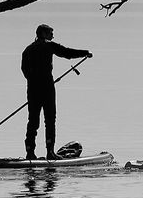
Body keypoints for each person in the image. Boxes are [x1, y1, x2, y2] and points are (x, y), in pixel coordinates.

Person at [21, 24, 92, 160]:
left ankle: (30, 152)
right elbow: (67, 53)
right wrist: (85, 53)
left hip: (32, 89)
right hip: (47, 88)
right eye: (50, 33)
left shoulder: (27, 50)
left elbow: (24, 70)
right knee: (50, 120)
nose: (52, 36)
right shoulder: (49, 45)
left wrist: (34, 80)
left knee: (33, 121)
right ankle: (50, 152)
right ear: (43, 34)